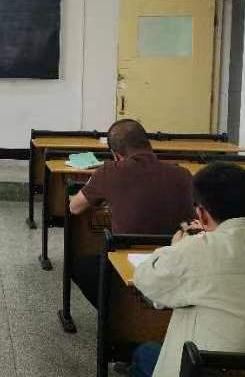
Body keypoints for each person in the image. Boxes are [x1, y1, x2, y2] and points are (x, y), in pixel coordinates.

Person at [132, 162, 245, 377]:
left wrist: (176, 248)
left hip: (210, 371)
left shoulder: (194, 250)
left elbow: (145, 280)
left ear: (202, 214)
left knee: (145, 353)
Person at [68, 119, 194, 307]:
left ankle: (113, 312)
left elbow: (75, 207)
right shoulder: (183, 174)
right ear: (148, 144)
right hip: (177, 257)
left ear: (116, 154)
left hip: (130, 259)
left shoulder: (108, 172)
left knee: (79, 266)